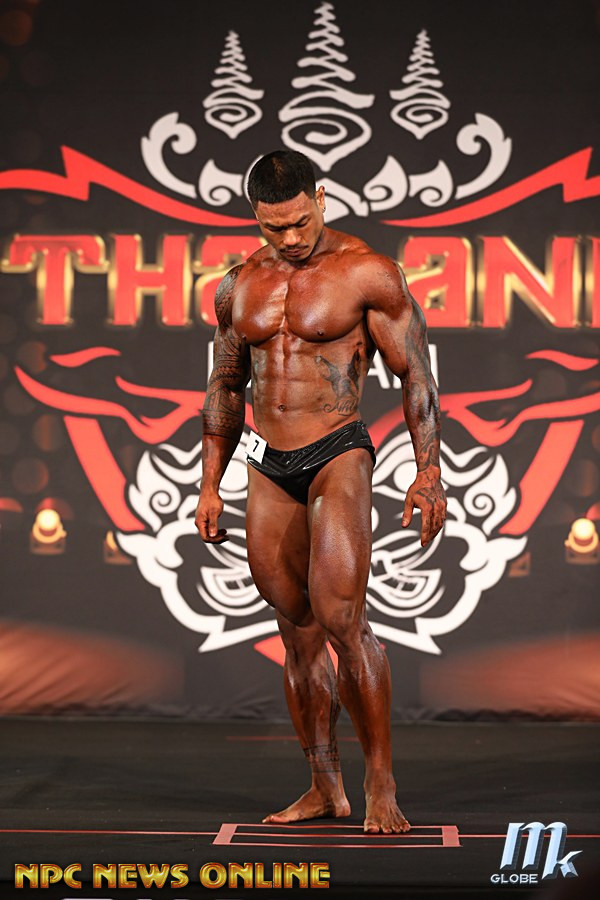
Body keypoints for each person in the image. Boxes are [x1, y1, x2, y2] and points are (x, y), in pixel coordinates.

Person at [195, 149, 447, 834]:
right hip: (267, 460)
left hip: (338, 449)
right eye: (274, 227)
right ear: (256, 218)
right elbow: (225, 386)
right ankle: (323, 786)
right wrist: (209, 483)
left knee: (341, 618)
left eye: (300, 222)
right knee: (296, 629)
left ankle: (380, 783)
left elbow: (416, 375)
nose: (290, 237)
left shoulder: (367, 272)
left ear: (322, 199)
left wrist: (428, 471)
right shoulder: (238, 285)